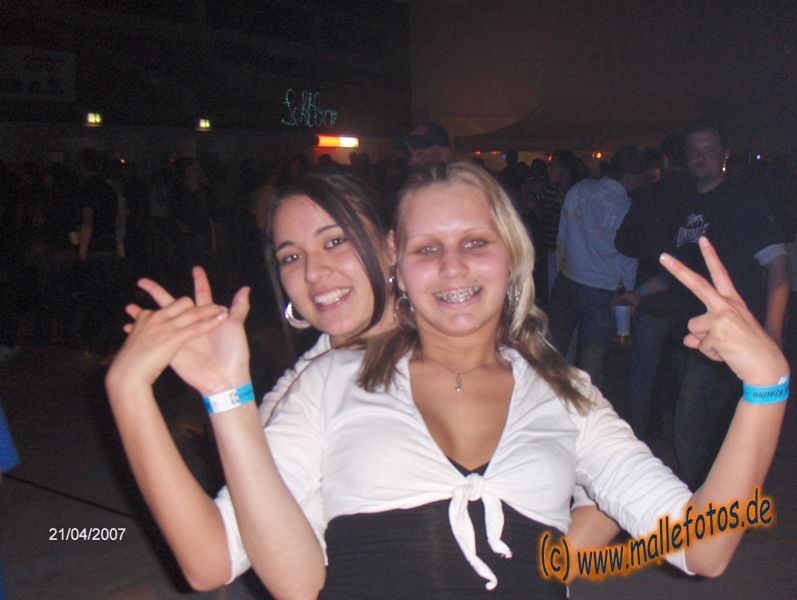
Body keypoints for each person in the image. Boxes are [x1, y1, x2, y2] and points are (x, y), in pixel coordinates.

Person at [171, 162, 786, 597]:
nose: (452, 266)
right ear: (395, 262)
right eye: (426, 249)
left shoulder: (565, 392)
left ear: (510, 255)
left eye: (473, 242)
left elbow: (701, 546)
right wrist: (224, 394)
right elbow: (248, 562)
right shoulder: (328, 382)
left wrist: (766, 385)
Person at [107, 166, 618, 593]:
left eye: (335, 241)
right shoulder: (310, 389)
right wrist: (128, 391)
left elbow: (611, 483)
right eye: (291, 257)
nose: (315, 273)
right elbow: (212, 559)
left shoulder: (485, 339)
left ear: (391, 246)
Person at [616, 120, 789, 489]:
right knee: (706, 423)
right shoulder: (689, 206)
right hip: (691, 335)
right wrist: (640, 294)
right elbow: (682, 273)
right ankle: (714, 494)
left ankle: (702, 502)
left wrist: (772, 331)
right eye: (694, 151)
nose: (700, 157)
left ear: (724, 154)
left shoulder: (742, 203)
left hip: (729, 335)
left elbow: (778, 265)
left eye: (709, 150)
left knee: (691, 422)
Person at [548, 146, 648, 388]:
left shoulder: (580, 190)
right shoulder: (625, 207)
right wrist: (631, 292)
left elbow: (562, 236)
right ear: (629, 177)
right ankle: (584, 405)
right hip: (603, 289)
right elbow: (627, 257)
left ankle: (549, 398)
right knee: (591, 360)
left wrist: (563, 269)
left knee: (555, 352)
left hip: (569, 279)